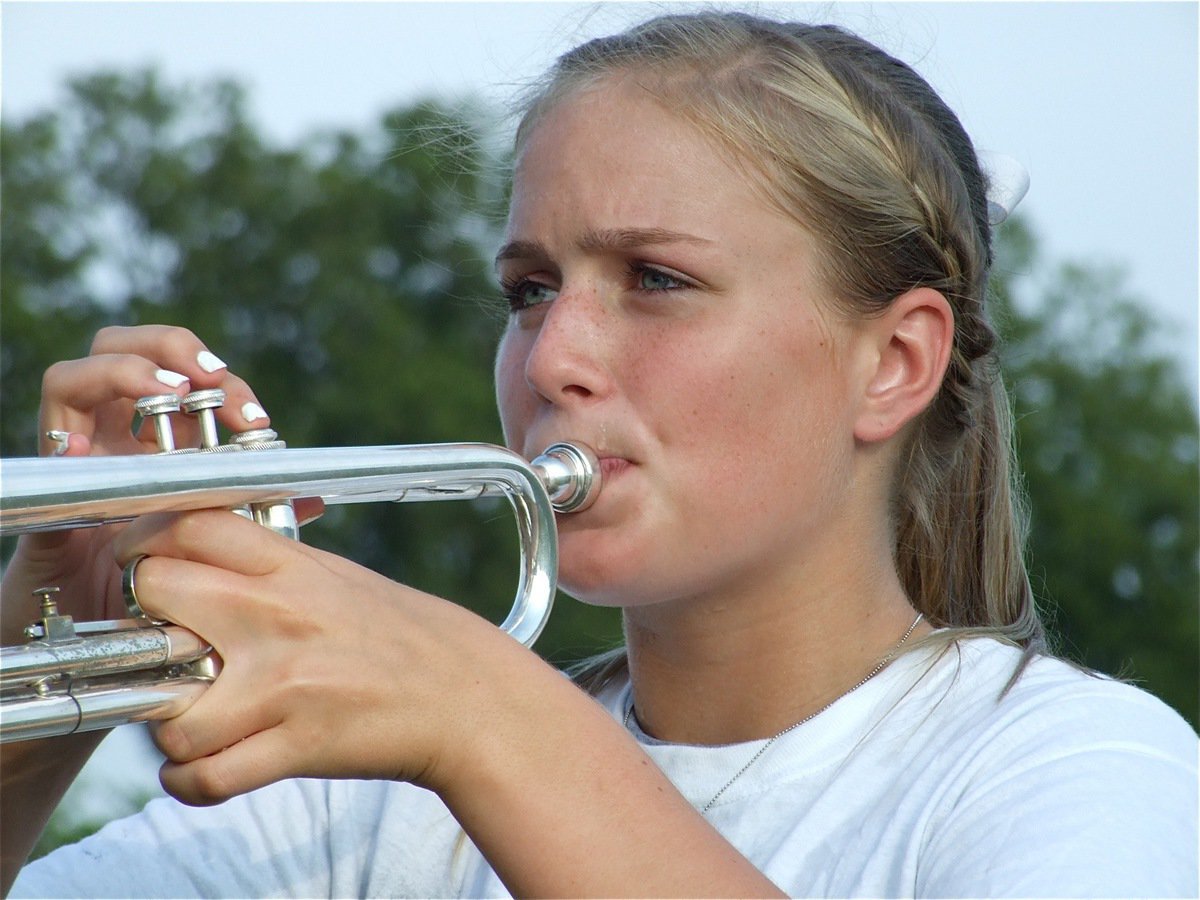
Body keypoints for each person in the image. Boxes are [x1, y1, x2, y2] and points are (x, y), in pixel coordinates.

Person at [3, 11, 1196, 898]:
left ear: (892, 363)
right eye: (530, 289)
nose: (553, 355)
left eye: (658, 281)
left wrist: (489, 715)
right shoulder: (362, 810)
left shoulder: (1074, 764)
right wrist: (45, 623)